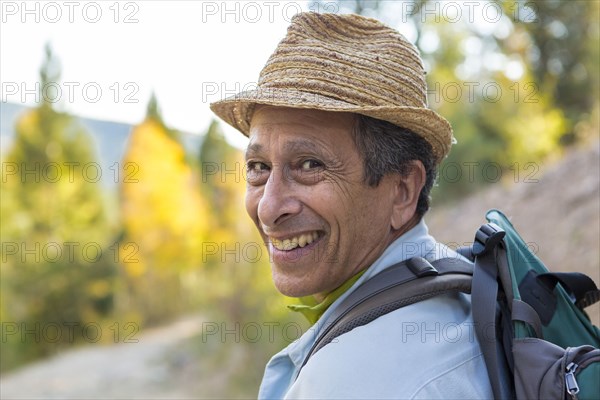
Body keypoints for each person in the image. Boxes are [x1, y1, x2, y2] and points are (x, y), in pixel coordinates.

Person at [210, 12, 493, 399]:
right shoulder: (460, 294)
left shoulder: (348, 383)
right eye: (259, 167)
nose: (268, 207)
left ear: (403, 191)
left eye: (310, 165)